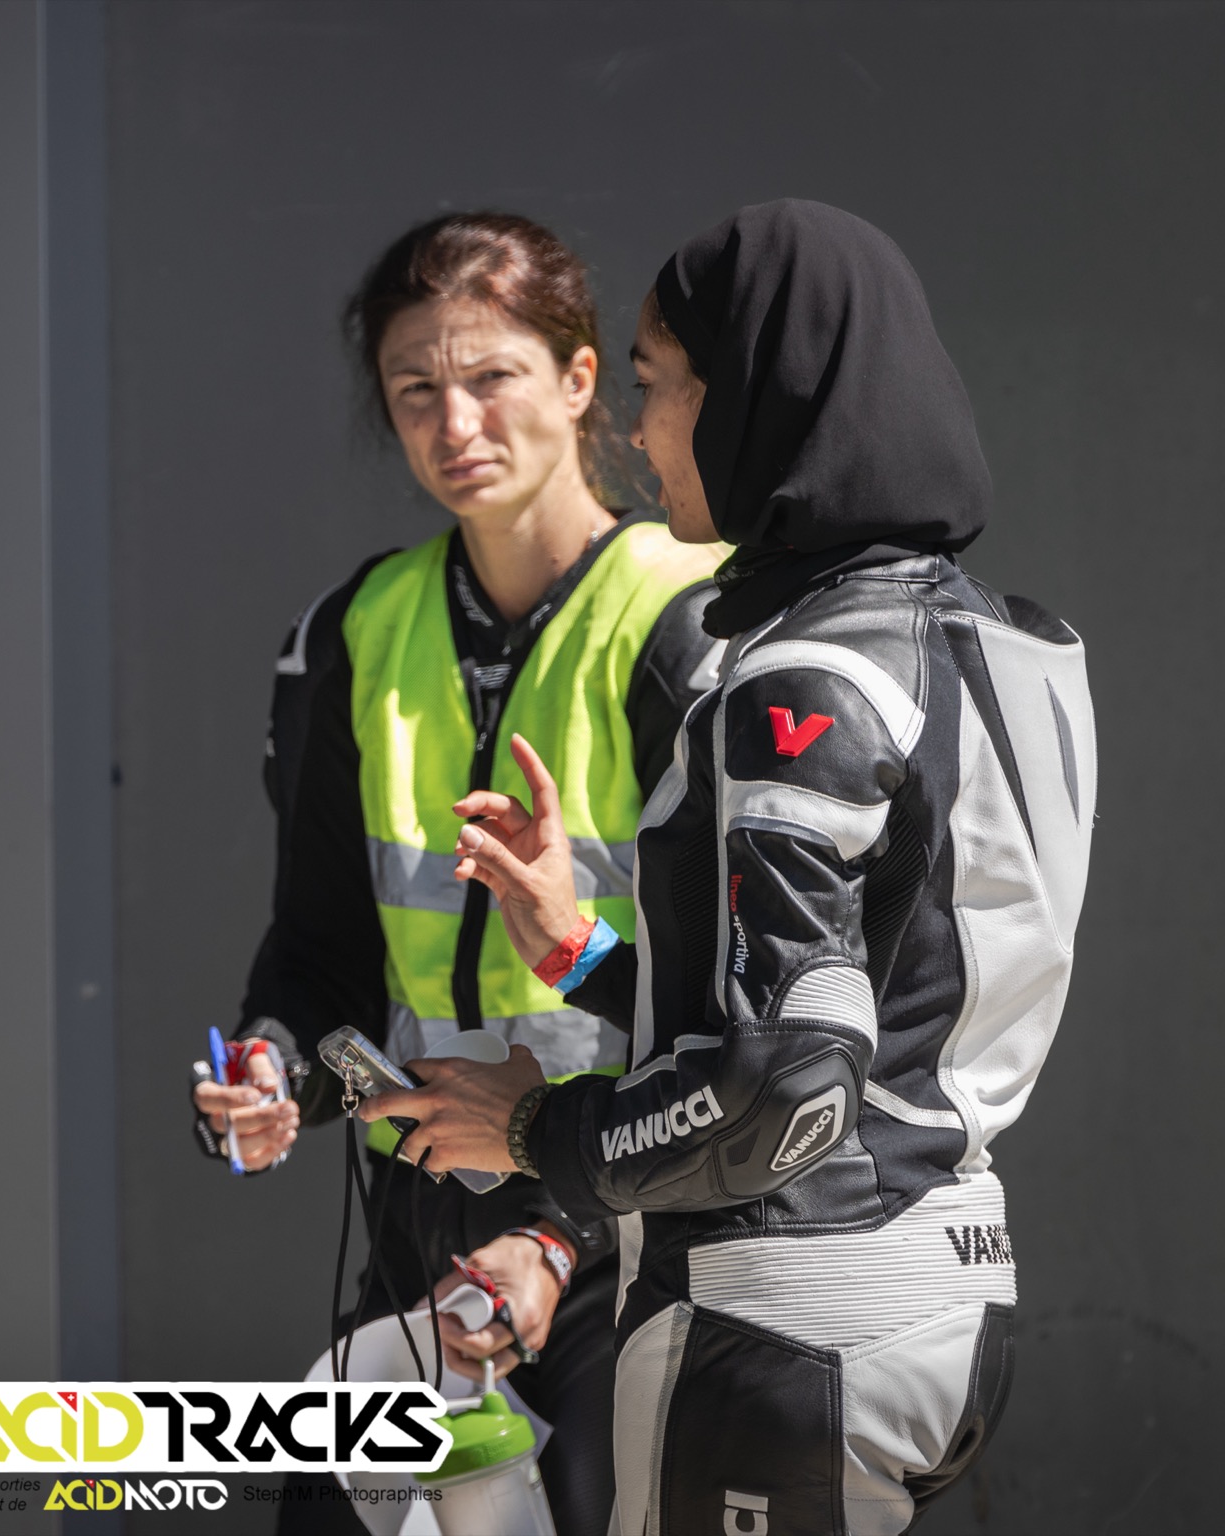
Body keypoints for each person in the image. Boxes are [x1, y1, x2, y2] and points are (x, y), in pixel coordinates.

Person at [363, 199, 1095, 1536]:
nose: (641, 433)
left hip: (783, 1323)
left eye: (654, 384)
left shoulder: (801, 676)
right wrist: (583, 952)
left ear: (756, 388)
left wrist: (534, 1133)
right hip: (949, 1299)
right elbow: (878, 1006)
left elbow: (784, 1090)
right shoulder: (1022, 650)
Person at [189, 212, 723, 1536]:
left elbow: (737, 1008)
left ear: (582, 379)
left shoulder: (692, 617)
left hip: (632, 1229)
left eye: (492, 376)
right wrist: (273, 1074)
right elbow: (317, 956)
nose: (454, 422)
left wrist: (558, 1234)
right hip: (419, 1228)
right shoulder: (356, 632)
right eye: (414, 389)